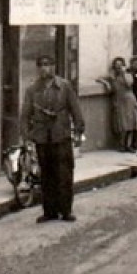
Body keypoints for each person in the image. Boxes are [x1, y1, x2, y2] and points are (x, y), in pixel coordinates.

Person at [22, 54, 85, 223]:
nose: (44, 68)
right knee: (46, 175)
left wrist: (79, 130)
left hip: (61, 135)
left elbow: (75, 109)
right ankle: (49, 211)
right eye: (41, 65)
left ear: (53, 67)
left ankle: (66, 210)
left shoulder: (64, 86)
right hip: (42, 137)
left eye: (47, 64)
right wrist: (26, 136)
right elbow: (25, 114)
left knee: (64, 174)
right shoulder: (32, 90)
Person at [107, 57, 137, 153]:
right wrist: (105, 82)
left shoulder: (128, 75)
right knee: (122, 125)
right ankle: (122, 144)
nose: (118, 68)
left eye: (120, 65)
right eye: (117, 66)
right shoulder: (114, 77)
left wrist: (123, 73)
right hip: (119, 101)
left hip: (129, 101)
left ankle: (129, 144)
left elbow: (129, 84)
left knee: (131, 123)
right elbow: (112, 90)